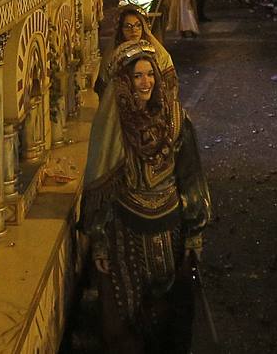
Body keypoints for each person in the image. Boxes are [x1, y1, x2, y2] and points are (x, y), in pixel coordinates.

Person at [81, 40, 210, 352]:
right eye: (137, 76)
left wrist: (195, 233)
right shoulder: (113, 127)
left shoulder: (177, 119)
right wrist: (99, 240)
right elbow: (102, 185)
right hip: (125, 235)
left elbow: (190, 176)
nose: (145, 82)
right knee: (127, 320)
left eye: (149, 74)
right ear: (125, 81)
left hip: (170, 232)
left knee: (169, 315)